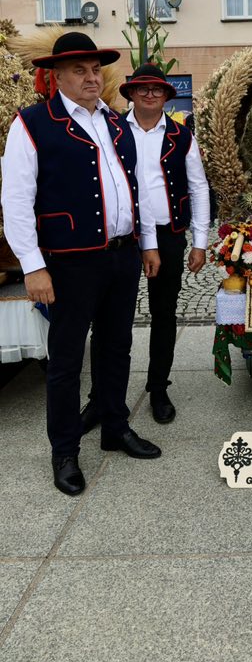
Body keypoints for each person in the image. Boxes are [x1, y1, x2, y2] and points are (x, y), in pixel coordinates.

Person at [0, 33, 162, 497]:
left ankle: (114, 427)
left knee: (117, 347)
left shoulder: (116, 123)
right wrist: (33, 266)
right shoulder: (32, 124)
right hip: (70, 263)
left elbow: (135, 188)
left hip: (122, 255)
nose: (91, 78)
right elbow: (16, 201)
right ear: (56, 76)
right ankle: (65, 451)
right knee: (67, 359)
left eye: (95, 70)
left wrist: (147, 244)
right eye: (79, 71)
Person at [81, 64, 211, 427]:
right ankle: (100, 398)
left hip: (168, 234)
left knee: (164, 312)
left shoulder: (181, 136)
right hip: (121, 234)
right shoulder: (112, 129)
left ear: (167, 96)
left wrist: (200, 242)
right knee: (106, 317)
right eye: (143, 88)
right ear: (131, 94)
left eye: (157, 89)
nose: (150, 94)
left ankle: (158, 388)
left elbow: (199, 188)